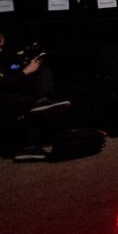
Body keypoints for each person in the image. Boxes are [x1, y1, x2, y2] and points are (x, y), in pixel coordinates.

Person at [0, 33, 69, 161]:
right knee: (28, 102)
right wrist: (26, 71)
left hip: (10, 90)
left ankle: (43, 101)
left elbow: (11, 77)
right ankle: (30, 147)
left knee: (42, 70)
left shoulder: (5, 57)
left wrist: (30, 67)